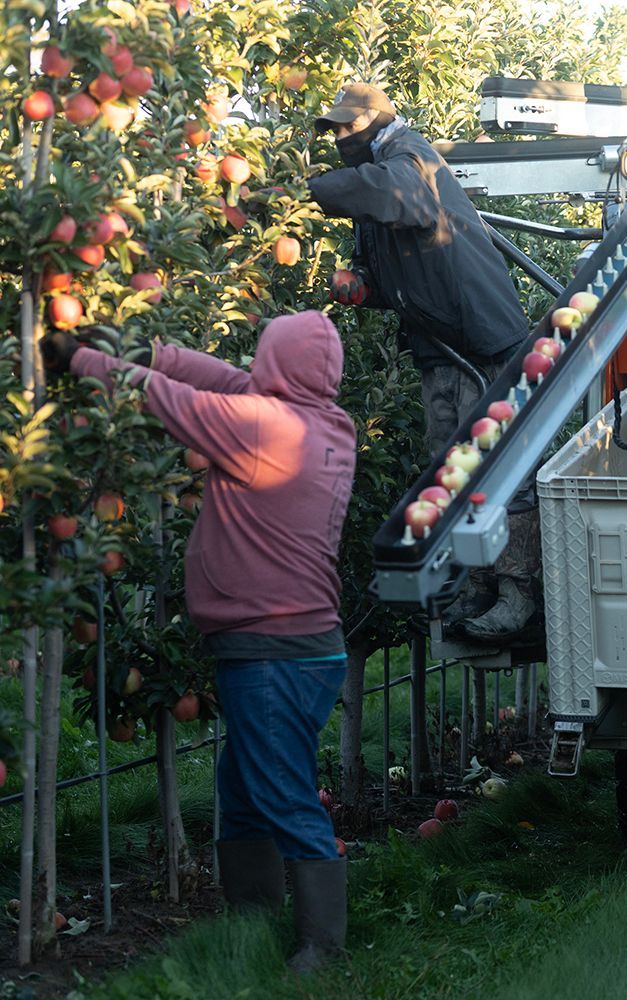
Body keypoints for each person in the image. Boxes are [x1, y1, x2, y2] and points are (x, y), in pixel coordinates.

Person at [43, 313, 356, 973]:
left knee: (280, 790)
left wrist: (78, 360)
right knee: (243, 786)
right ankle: (252, 921)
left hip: (273, 650)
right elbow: (220, 377)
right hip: (299, 645)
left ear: (277, 364)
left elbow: (170, 400)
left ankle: (322, 949)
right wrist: (146, 348)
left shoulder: (259, 428)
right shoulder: (327, 424)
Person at [308, 81, 539, 643]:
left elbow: (397, 193)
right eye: (335, 130)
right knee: (450, 468)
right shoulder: (377, 189)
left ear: (376, 122)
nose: (341, 137)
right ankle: (478, 587)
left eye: (347, 127)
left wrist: (306, 192)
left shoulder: (410, 157)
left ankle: (518, 594)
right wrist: (360, 287)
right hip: (440, 347)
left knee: (496, 470)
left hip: (482, 343)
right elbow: (392, 276)